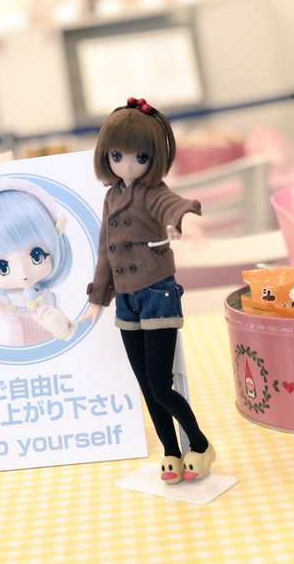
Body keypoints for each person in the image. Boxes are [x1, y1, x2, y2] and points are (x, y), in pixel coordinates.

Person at [82, 97, 215, 484]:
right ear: (106, 156)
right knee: (146, 385)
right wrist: (97, 298)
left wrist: (185, 217)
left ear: (154, 157)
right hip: (127, 301)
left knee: (160, 385)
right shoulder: (111, 196)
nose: (127, 165)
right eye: (117, 156)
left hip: (157, 295)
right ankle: (171, 451)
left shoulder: (152, 191)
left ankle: (200, 445)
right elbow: (105, 251)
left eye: (139, 156)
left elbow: (170, 204)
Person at [0, 178, 75, 346]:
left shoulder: (47, 296)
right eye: (2, 268)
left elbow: (68, 332)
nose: (23, 273)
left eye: (36, 256)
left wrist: (60, 327)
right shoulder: (10, 301)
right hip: (18, 353)